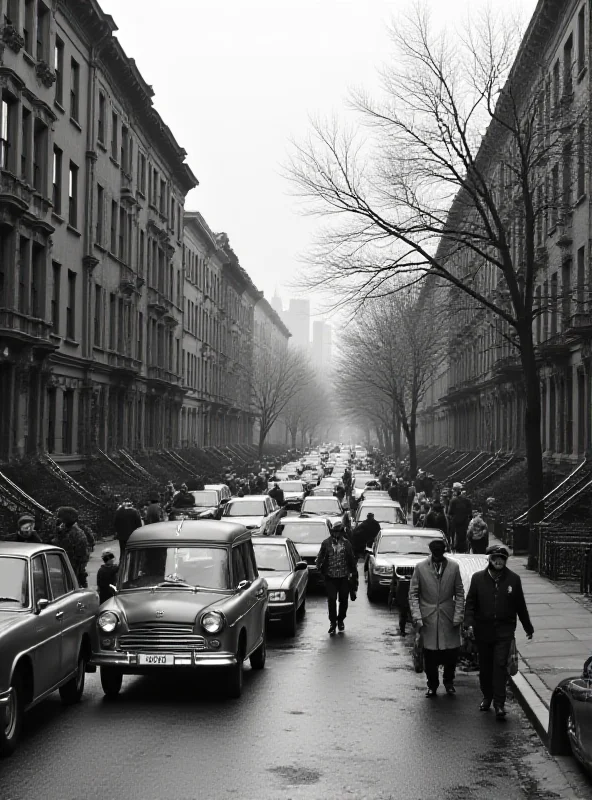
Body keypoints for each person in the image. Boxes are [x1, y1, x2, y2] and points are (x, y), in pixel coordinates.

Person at [464, 544, 534, 718]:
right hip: (483, 630)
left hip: (505, 630)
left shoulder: (513, 580)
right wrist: (469, 624)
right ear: (489, 560)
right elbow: (470, 604)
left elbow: (520, 605)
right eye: (495, 558)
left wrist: (527, 627)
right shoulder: (478, 579)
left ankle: (499, 703)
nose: (498, 561)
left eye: (502, 559)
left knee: (500, 666)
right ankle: (487, 697)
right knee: (486, 667)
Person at [409, 538, 465, 697]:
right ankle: (432, 684)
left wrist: (458, 615)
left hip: (448, 616)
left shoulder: (453, 567)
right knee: (430, 655)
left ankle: (449, 682)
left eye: (440, 552)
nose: (438, 555)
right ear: (431, 552)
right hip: (428, 618)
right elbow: (413, 594)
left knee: (451, 654)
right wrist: (417, 616)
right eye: (435, 553)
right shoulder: (420, 568)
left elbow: (459, 593)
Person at [316, 523, 359, 635]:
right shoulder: (326, 543)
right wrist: (320, 568)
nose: (336, 534)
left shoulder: (347, 544)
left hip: (344, 577)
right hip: (330, 577)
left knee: (343, 599)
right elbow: (320, 558)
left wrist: (354, 575)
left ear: (341, 532)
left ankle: (340, 620)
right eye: (334, 532)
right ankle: (332, 622)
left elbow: (352, 561)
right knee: (332, 599)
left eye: (338, 532)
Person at [53, 506, 90, 586]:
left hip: (74, 567)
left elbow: (83, 555)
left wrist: (78, 569)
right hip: (63, 565)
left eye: (62, 517)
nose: (60, 520)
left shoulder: (77, 533)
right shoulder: (62, 530)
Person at [448, 483, 472, 553]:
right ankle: (464, 549)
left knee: (454, 535)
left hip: (455, 522)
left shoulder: (453, 501)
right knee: (463, 536)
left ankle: (455, 547)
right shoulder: (468, 501)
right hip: (465, 521)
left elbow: (450, 512)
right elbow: (470, 513)